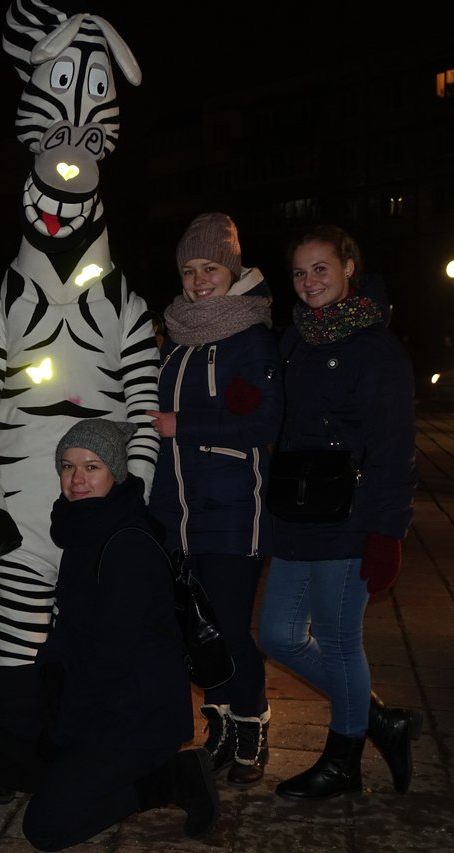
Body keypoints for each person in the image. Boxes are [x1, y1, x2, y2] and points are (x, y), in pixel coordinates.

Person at [0, 419, 218, 851]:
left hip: (137, 713)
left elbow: (111, 659)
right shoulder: (81, 528)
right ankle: (80, 774)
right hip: (95, 696)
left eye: (92, 467)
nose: (77, 479)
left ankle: (170, 779)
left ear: (115, 473)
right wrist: (43, 692)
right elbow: (68, 631)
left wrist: (62, 730)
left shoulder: (126, 543)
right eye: (67, 466)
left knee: (45, 829)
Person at [257, 225, 423, 801]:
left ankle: (344, 760)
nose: (309, 282)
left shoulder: (377, 348)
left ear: (349, 267)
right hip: (297, 508)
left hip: (350, 513)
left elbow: (395, 447)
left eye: (321, 268)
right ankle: (379, 720)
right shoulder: (296, 339)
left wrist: (387, 532)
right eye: (299, 273)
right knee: (277, 634)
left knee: (336, 638)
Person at [145, 213, 282, 788]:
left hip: (232, 512)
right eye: (189, 271)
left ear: (232, 270)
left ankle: (253, 721)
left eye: (210, 269)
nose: (199, 281)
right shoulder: (174, 338)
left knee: (227, 624)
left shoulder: (252, 337)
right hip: (175, 512)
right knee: (193, 627)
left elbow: (263, 422)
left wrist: (186, 424)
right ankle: (219, 720)